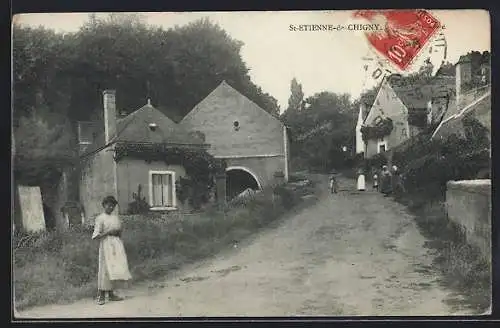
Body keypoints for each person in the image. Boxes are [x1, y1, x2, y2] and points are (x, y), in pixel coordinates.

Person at [92, 195, 132, 305]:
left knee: (113, 269)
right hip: (105, 245)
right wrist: (108, 232)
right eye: (108, 205)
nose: (110, 207)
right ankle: (100, 295)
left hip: (116, 245)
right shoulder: (100, 218)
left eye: (112, 206)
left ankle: (110, 294)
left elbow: (119, 232)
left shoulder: (115, 218)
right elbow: (96, 236)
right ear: (104, 205)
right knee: (105, 268)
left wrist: (117, 232)